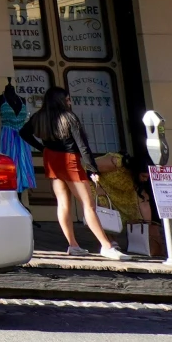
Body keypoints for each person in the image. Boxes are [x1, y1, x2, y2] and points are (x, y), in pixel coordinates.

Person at [24, 85, 123, 259]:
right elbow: (82, 146)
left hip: (51, 160)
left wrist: (43, 147)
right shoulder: (69, 118)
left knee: (63, 204)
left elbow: (24, 132)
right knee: (88, 205)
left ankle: (73, 245)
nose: (70, 102)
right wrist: (92, 169)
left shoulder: (40, 117)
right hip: (69, 160)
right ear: (61, 100)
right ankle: (106, 245)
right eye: (68, 99)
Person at [0, 82, 37, 195]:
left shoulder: (22, 99)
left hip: (22, 136)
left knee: (23, 163)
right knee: (10, 164)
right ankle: (10, 195)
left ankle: (20, 195)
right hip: (8, 136)